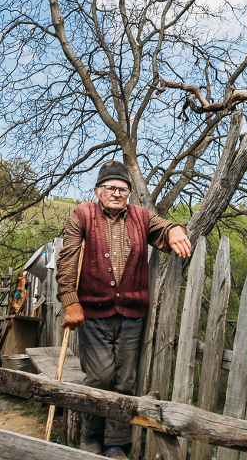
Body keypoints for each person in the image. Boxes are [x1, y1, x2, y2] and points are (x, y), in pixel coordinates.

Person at [56, 160, 191, 459]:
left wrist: (175, 231)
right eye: (111, 188)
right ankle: (91, 437)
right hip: (91, 312)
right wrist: (70, 299)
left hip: (131, 314)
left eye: (123, 189)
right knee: (100, 377)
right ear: (98, 191)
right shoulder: (83, 214)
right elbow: (67, 258)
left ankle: (117, 444)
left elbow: (164, 227)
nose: (117, 193)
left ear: (129, 193)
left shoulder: (141, 216)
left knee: (126, 380)